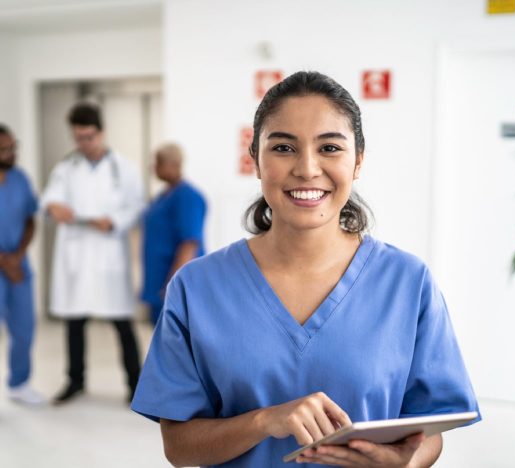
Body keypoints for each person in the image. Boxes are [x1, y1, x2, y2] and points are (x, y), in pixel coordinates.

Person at [131, 71, 480, 467]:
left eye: (330, 147)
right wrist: (265, 420)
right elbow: (179, 447)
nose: (307, 168)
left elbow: (429, 432)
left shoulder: (408, 282)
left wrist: (407, 463)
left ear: (358, 161)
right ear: (256, 162)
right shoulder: (196, 287)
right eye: (283, 147)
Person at [41, 103, 144, 404]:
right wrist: (52, 208)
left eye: (88, 137)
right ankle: (75, 381)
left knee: (122, 323)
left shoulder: (124, 168)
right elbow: (49, 200)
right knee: (74, 322)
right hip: (76, 256)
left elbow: (136, 206)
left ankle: (135, 387)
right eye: (78, 138)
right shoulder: (65, 168)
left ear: (101, 133)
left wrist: (114, 221)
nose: (83, 144)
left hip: (108, 251)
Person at [0, 124, 45, 406]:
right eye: (4, 149)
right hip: (8, 265)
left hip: (18, 269)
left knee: (25, 328)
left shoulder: (20, 179)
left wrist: (17, 256)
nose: (10, 153)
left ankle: (19, 384)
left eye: (13, 147)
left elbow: (31, 218)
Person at [141, 143, 207, 325]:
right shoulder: (163, 196)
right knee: (161, 341)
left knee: (177, 343)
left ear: (174, 164)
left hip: (175, 284)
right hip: (158, 280)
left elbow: (190, 243)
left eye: (158, 162)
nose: (153, 167)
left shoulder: (187, 197)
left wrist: (174, 284)